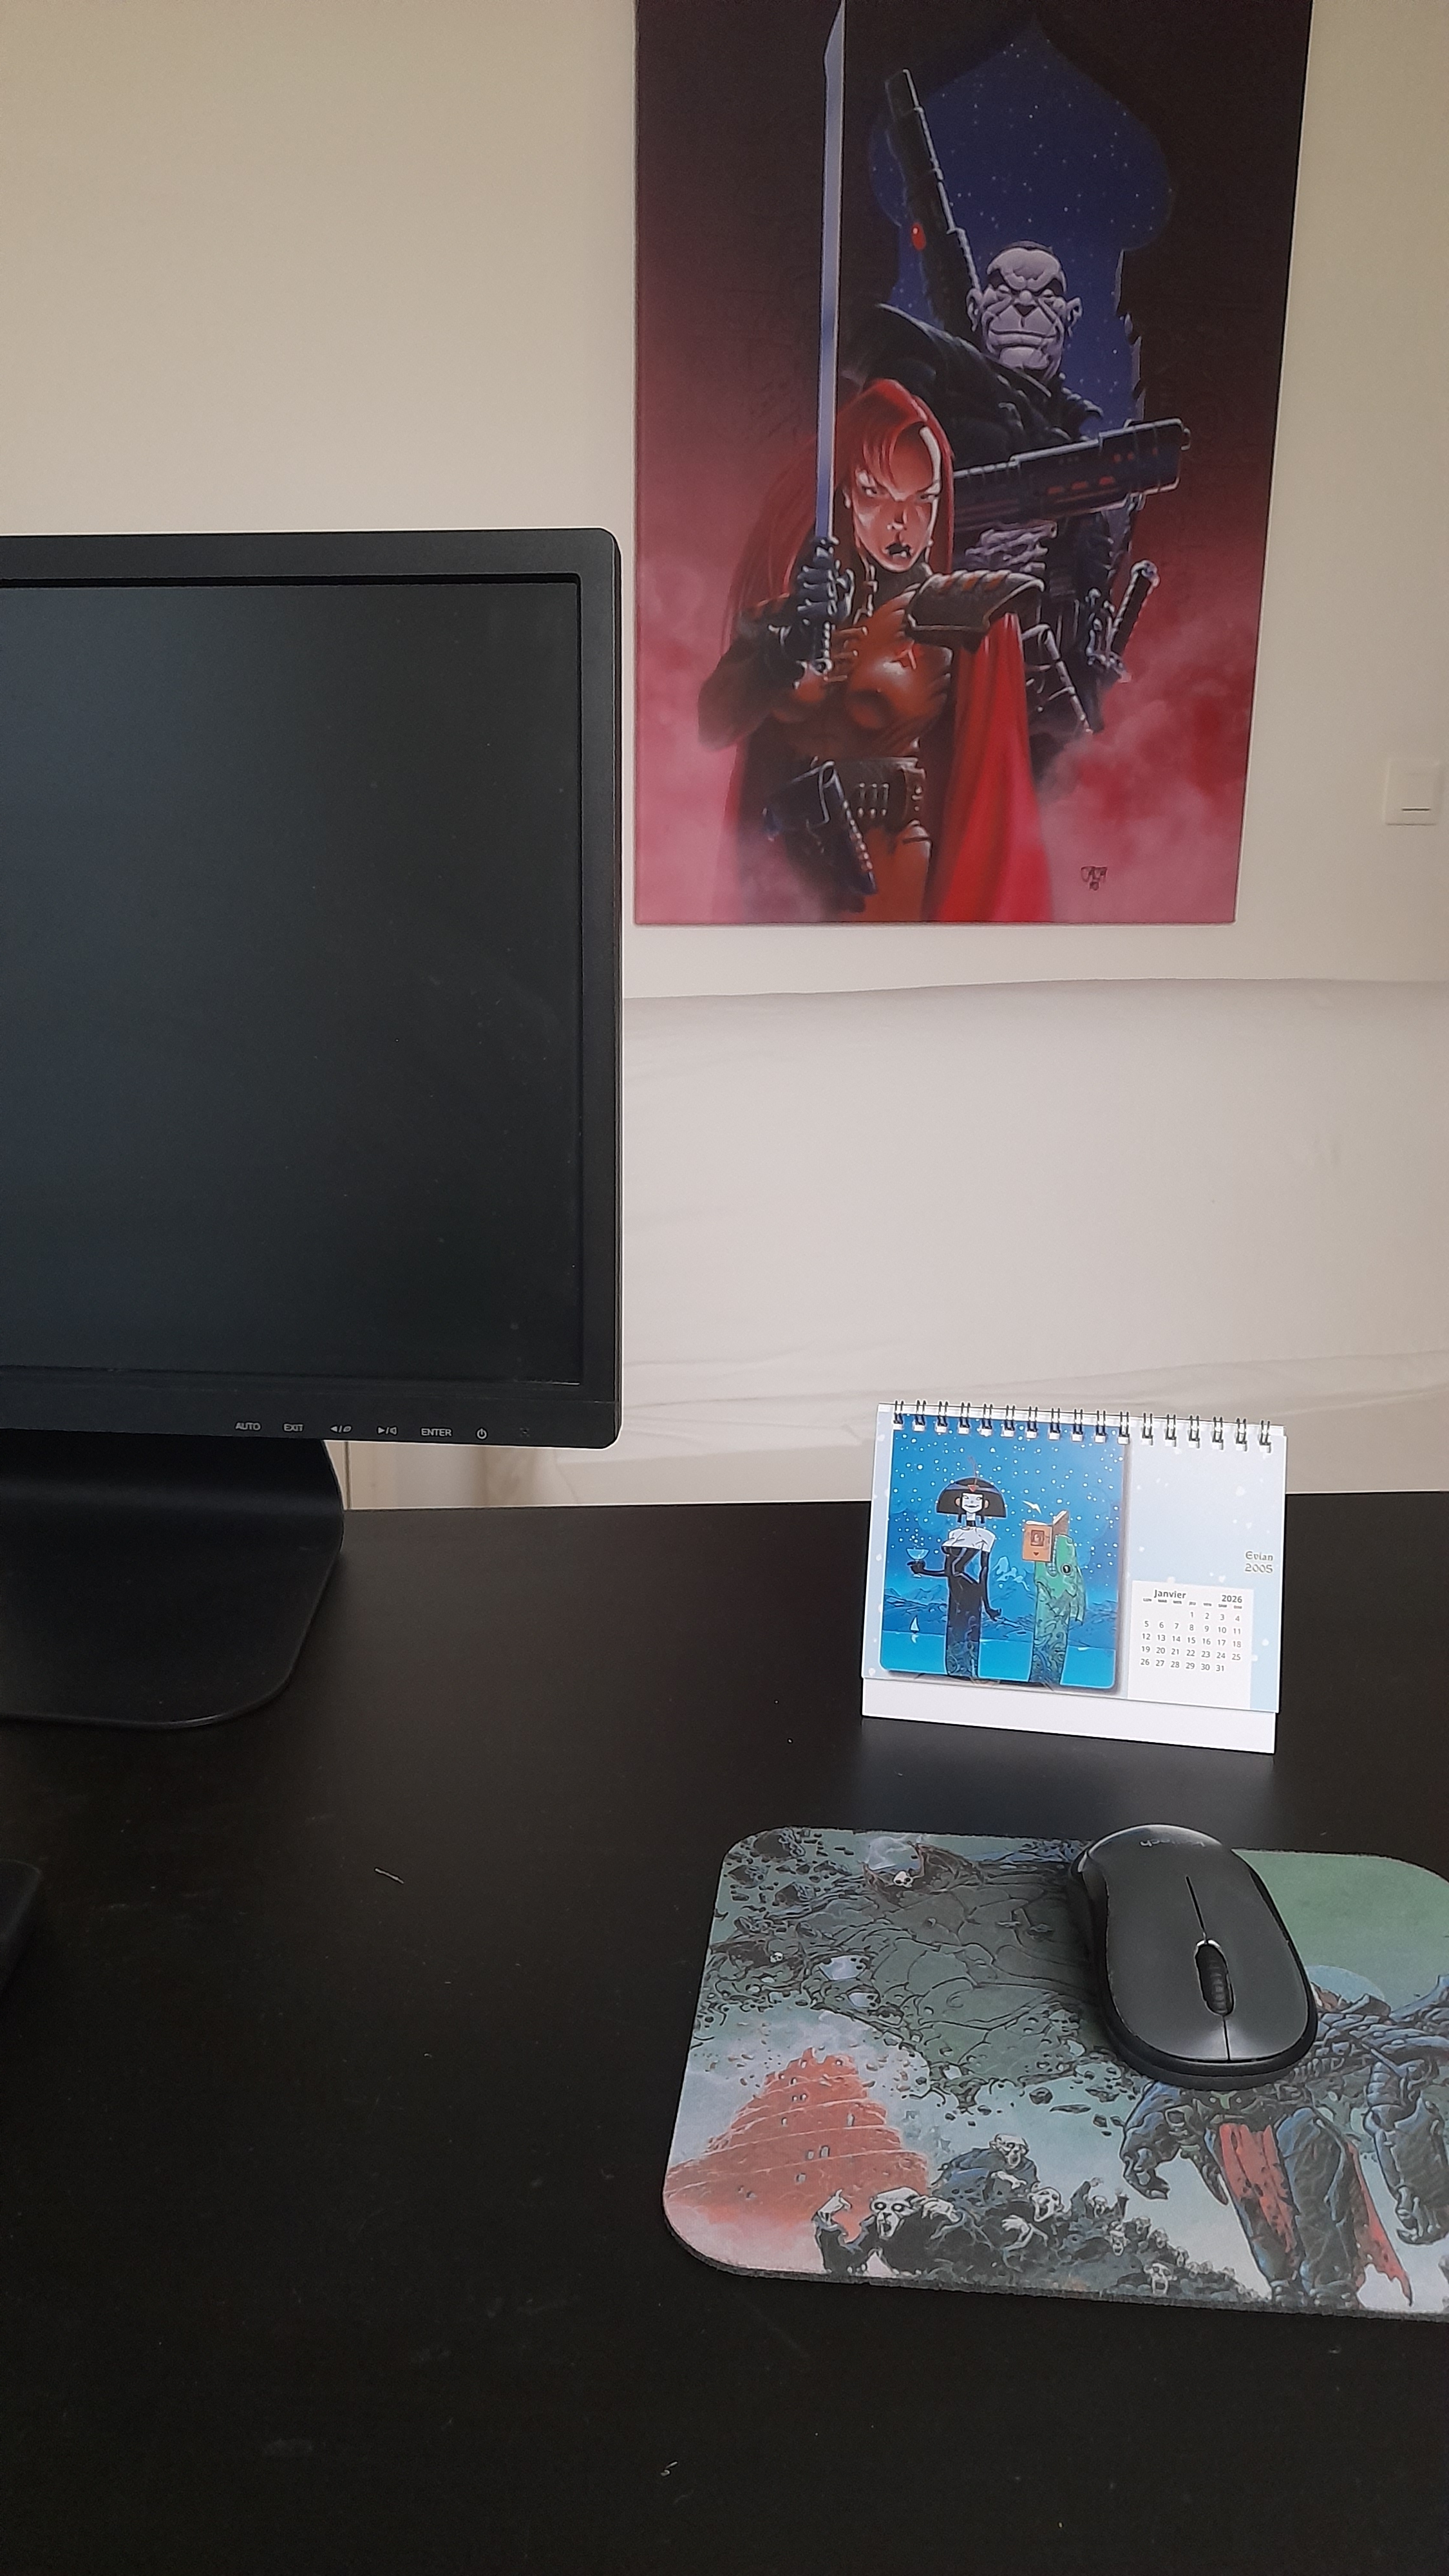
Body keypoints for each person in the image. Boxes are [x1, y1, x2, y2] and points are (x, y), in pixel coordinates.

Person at [698, 378, 1051, 923]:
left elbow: (996, 782)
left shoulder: (951, 615)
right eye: (875, 493)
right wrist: (782, 653)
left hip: (886, 868)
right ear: (845, 494)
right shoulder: (795, 613)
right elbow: (712, 725)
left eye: (922, 500)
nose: (900, 522)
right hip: (782, 865)